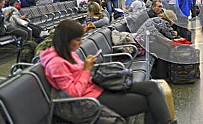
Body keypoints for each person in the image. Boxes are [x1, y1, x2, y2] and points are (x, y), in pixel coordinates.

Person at [39, 19, 174, 124]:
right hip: (92, 97)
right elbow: (73, 93)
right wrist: (86, 69)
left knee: (152, 87)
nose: (80, 43)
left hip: (100, 86)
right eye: (78, 40)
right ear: (66, 40)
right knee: (148, 102)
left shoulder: (69, 53)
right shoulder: (56, 63)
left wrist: (87, 67)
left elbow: (79, 75)